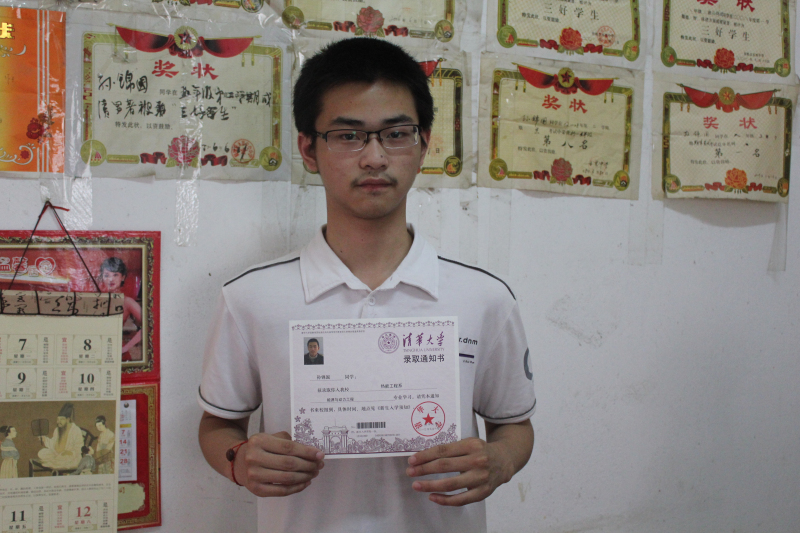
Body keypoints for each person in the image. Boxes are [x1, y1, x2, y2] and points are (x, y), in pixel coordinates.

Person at [197, 38, 535, 533]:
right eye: (348, 136)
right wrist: (239, 459)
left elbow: (514, 425)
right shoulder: (251, 298)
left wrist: (500, 461)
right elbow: (217, 425)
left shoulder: (484, 298)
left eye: (396, 134)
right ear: (309, 149)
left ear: (423, 144)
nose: (374, 158)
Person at [99, 257, 142, 356]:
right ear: (102, 277)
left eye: (115, 275)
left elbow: (149, 324)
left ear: (123, 277)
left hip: (116, 351)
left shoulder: (127, 302)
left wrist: (126, 347)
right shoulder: (96, 299)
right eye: (106, 275)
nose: (111, 279)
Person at [38, 402, 84, 470]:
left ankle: (55, 461)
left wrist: (70, 452)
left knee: (65, 459)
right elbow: (54, 444)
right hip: (57, 454)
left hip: (70, 457)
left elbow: (80, 448)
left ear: (68, 419)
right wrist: (45, 439)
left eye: (61, 419)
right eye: (58, 419)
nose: (58, 422)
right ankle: (55, 460)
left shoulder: (76, 430)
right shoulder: (57, 430)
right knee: (41, 452)